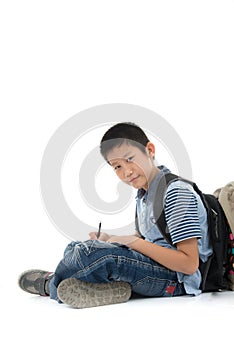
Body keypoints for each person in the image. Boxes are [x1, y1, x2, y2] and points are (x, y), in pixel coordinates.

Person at [19, 122, 213, 308]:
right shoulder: (145, 194)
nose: (126, 171)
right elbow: (152, 237)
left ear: (150, 150)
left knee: (91, 253)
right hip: (156, 267)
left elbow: (189, 263)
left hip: (177, 279)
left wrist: (131, 242)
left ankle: (51, 284)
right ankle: (108, 289)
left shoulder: (176, 192)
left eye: (130, 159)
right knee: (76, 247)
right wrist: (110, 239)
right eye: (117, 166)